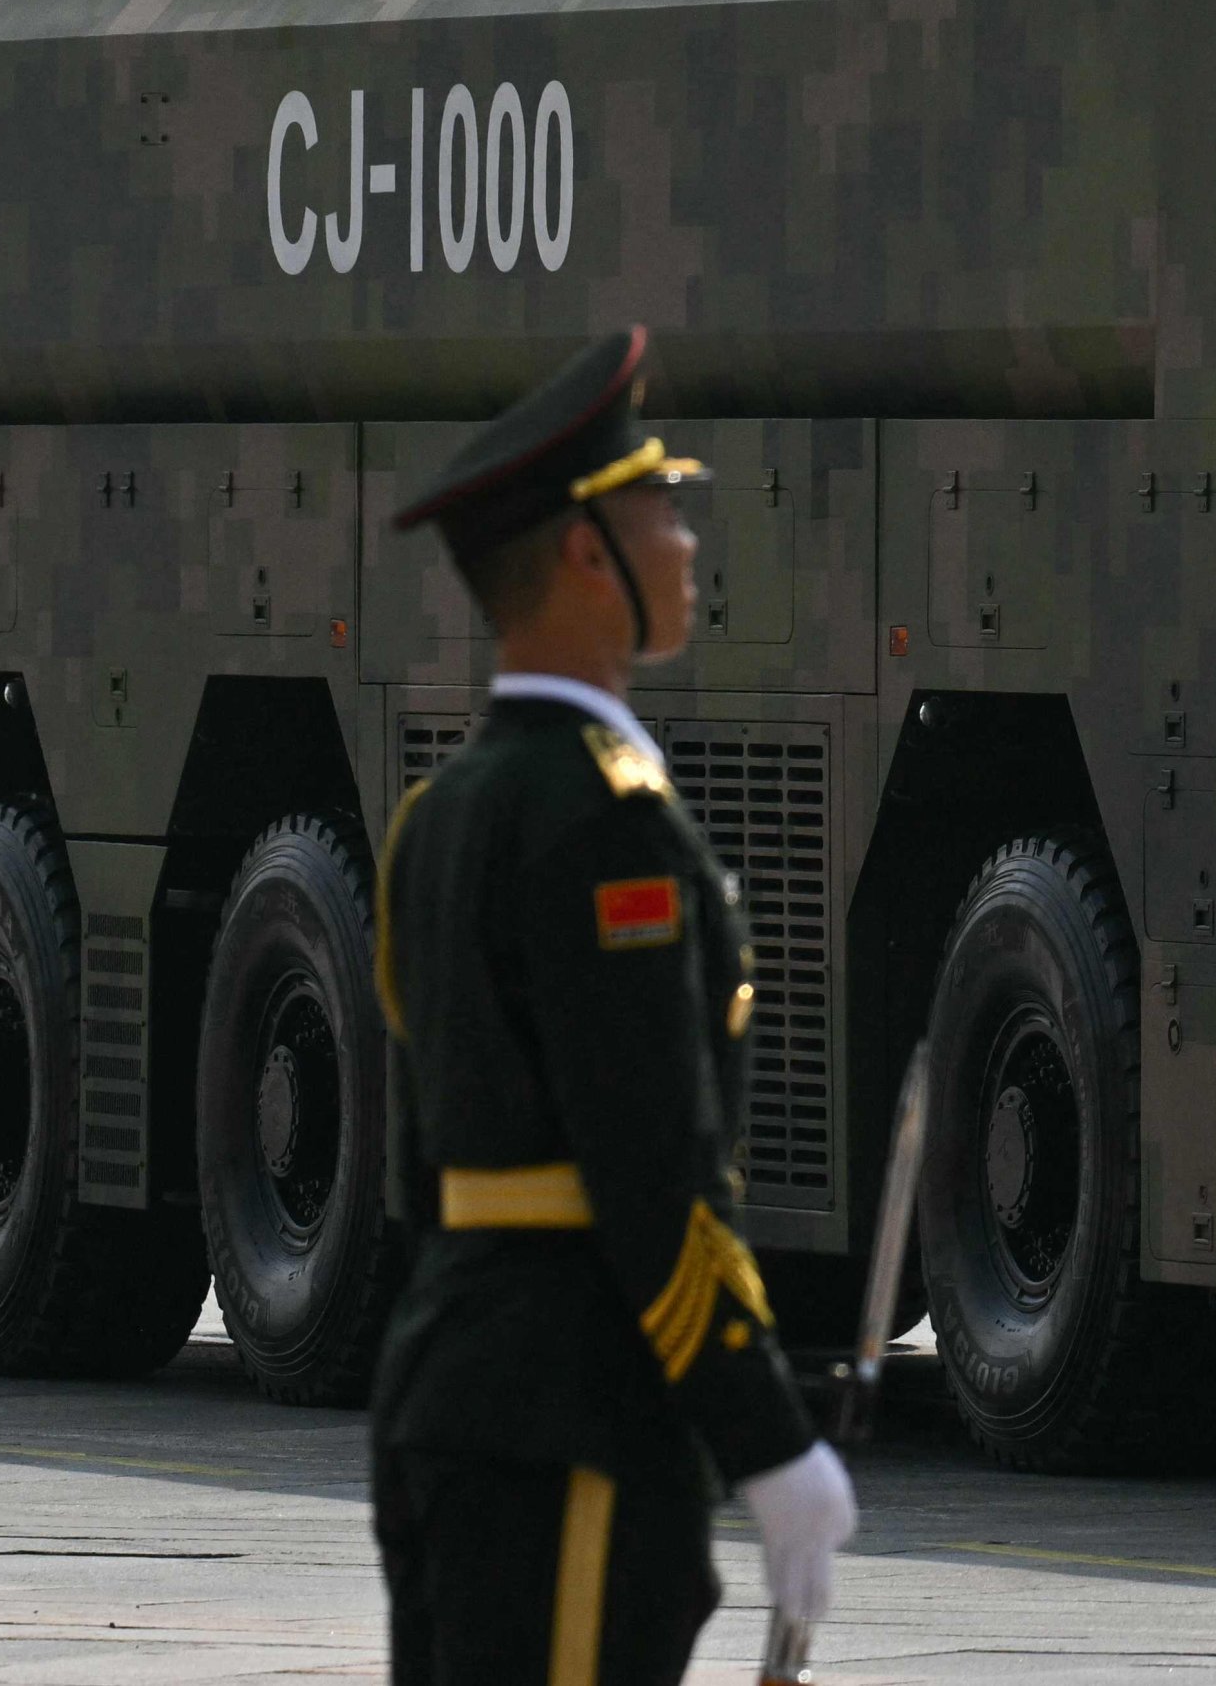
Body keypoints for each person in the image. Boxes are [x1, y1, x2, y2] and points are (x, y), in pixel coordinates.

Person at [371, 326, 856, 1686]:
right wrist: (767, 1436)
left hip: (451, 1395)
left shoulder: (439, 815)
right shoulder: (606, 826)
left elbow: (425, 1171)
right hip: (571, 1418)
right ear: (587, 553)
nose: (688, 540)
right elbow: (652, 1174)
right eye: (660, 506)